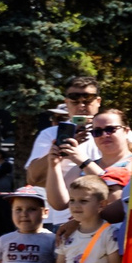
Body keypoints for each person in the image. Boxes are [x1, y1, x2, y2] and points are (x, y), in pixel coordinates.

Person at [23, 74, 104, 227]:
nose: (81, 105)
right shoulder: (51, 134)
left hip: (104, 215)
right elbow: (32, 178)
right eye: (74, 100)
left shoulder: (111, 132)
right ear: (66, 103)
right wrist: (60, 151)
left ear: (98, 101)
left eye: (88, 99)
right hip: (62, 217)